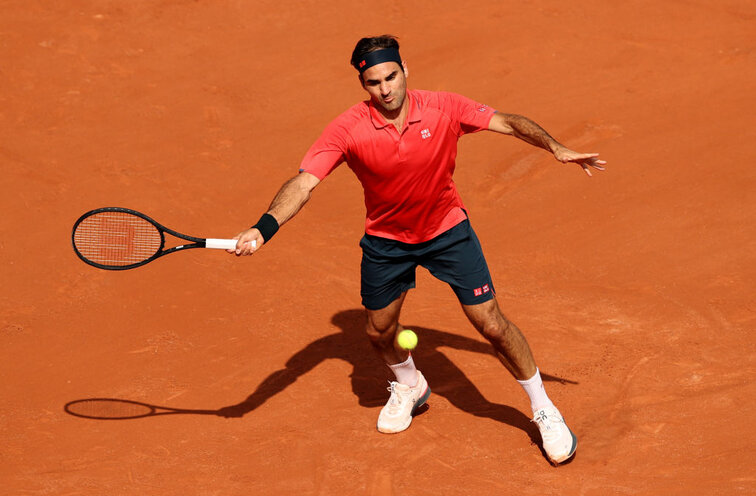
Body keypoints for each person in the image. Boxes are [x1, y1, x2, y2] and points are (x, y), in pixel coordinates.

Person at [229, 35, 605, 465]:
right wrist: (263, 228)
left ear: (404, 69)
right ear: (364, 85)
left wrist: (554, 147)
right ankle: (410, 384)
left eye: (391, 76)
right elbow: (303, 183)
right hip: (387, 243)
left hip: (448, 231)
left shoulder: (443, 107)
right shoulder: (347, 129)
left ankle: (544, 408)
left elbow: (507, 121)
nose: (386, 89)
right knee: (378, 332)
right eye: (374, 82)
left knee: (492, 325)